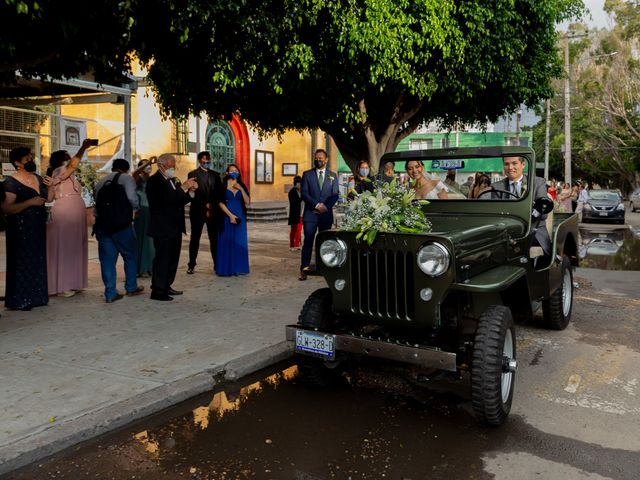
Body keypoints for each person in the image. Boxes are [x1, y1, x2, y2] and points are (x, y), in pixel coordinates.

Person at [2, 147, 49, 310]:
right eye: (27, 159)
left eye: (31, 157)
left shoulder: (37, 177)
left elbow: (48, 198)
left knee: (38, 260)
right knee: (21, 262)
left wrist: (52, 186)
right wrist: (29, 202)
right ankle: (20, 299)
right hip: (19, 229)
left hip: (38, 227)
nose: (31, 161)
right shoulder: (10, 182)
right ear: (17, 163)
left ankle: (37, 297)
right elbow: (7, 209)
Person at [146, 153, 197, 301]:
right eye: (170, 166)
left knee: (173, 258)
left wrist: (190, 193)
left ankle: (166, 285)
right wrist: (184, 187)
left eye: (174, 166)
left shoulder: (170, 181)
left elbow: (178, 200)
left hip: (174, 226)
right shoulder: (154, 181)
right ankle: (157, 290)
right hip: (162, 227)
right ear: (161, 166)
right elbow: (166, 200)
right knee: (162, 259)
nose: (172, 169)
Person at [93, 158, 144, 303]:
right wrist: (136, 209)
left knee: (107, 260)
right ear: (126, 169)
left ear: (113, 167)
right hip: (122, 225)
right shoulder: (126, 179)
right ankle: (131, 287)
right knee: (130, 255)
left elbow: (97, 204)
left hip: (103, 225)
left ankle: (110, 293)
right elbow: (132, 198)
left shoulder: (101, 181)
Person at [45, 139, 92, 298]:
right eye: (67, 156)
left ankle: (73, 281)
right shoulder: (60, 170)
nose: (70, 158)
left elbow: (49, 198)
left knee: (74, 247)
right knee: (66, 247)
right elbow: (50, 198)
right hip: (66, 210)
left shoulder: (61, 174)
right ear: (62, 160)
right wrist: (83, 147)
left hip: (74, 209)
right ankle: (64, 284)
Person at [492, 156, 551, 256]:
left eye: (514, 163)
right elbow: (496, 213)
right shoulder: (497, 186)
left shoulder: (537, 183)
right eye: (506, 164)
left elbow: (543, 213)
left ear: (523, 165)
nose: (510, 167)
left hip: (533, 230)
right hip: (505, 232)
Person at [299, 149, 339, 280]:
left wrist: (325, 207)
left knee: (324, 242)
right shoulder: (307, 174)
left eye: (321, 158)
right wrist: (316, 205)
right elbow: (304, 193)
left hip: (326, 215)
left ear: (326, 160)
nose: (318, 160)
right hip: (310, 214)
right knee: (308, 241)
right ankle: (304, 269)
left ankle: (324, 268)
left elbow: (335, 195)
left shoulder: (332, 175)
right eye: (316, 158)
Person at [186, 151, 222, 274]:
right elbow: (192, 193)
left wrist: (211, 205)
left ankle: (217, 264)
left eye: (208, 160)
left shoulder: (216, 175)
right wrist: (204, 205)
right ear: (199, 161)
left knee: (214, 239)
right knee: (195, 238)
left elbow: (218, 193)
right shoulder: (193, 174)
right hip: (197, 211)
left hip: (213, 211)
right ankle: (191, 264)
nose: (207, 162)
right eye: (204, 160)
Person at [216, 164, 250, 276]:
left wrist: (241, 189)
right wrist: (230, 216)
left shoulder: (242, 185)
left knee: (240, 242)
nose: (234, 172)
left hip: (241, 217)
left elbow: (247, 202)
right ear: (227, 173)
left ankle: (238, 268)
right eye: (232, 170)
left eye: (236, 170)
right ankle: (226, 268)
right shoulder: (222, 185)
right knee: (227, 241)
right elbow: (220, 202)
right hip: (227, 216)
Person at [132, 158, 155, 277]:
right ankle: (139, 268)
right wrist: (146, 163)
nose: (149, 167)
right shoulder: (138, 179)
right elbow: (135, 173)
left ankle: (150, 266)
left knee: (150, 240)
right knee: (140, 239)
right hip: (140, 212)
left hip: (151, 211)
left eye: (150, 165)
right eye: (146, 165)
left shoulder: (152, 180)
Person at [288, 175, 303, 251]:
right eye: (298, 183)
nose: (300, 185)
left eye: (300, 183)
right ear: (295, 183)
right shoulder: (292, 192)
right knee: (295, 230)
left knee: (298, 230)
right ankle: (294, 245)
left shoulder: (302, 191)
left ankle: (296, 244)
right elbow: (294, 203)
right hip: (295, 214)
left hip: (301, 213)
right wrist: (301, 199)